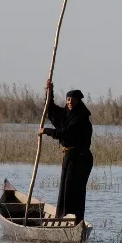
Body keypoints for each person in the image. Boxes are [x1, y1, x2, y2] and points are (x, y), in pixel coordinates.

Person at [38, 79, 94, 223]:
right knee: (65, 188)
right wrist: (49, 91)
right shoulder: (66, 115)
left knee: (74, 189)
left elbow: (65, 132)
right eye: (68, 99)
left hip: (81, 158)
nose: (69, 102)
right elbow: (50, 110)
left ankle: (74, 220)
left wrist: (46, 131)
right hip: (70, 156)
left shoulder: (80, 117)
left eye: (73, 100)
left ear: (78, 102)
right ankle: (65, 218)